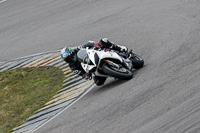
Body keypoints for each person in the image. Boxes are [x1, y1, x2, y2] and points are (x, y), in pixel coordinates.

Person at [61, 38, 128, 86]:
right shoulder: (73, 68)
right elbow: (83, 75)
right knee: (98, 82)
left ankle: (120, 48)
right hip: (92, 67)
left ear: (72, 52)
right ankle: (113, 72)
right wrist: (87, 75)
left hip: (95, 55)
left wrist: (95, 45)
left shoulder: (78, 49)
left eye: (70, 57)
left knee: (104, 41)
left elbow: (90, 43)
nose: (70, 60)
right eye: (67, 60)